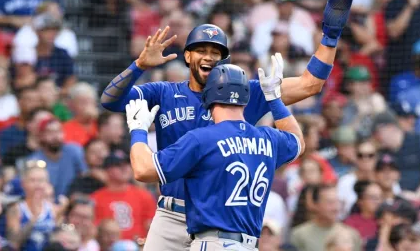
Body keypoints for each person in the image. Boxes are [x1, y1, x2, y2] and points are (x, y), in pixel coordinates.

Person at [100, 0, 354, 250]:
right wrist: (139, 65)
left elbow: (310, 84)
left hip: (221, 221)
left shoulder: (246, 91)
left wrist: (330, 36)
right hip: (172, 215)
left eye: (216, 52)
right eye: (201, 50)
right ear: (187, 55)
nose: (209, 57)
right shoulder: (163, 92)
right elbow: (110, 100)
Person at [126, 60, 305, 250]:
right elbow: (299, 142)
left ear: (207, 98)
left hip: (213, 243)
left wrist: (138, 130)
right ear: (245, 99)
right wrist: (274, 99)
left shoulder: (202, 139)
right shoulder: (268, 137)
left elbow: (143, 170)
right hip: (249, 244)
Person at [5, 160, 57, 251]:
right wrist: (34, 219)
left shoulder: (53, 208)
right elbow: (13, 243)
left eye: (41, 180)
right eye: (32, 180)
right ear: (23, 184)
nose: (37, 185)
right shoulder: (16, 209)